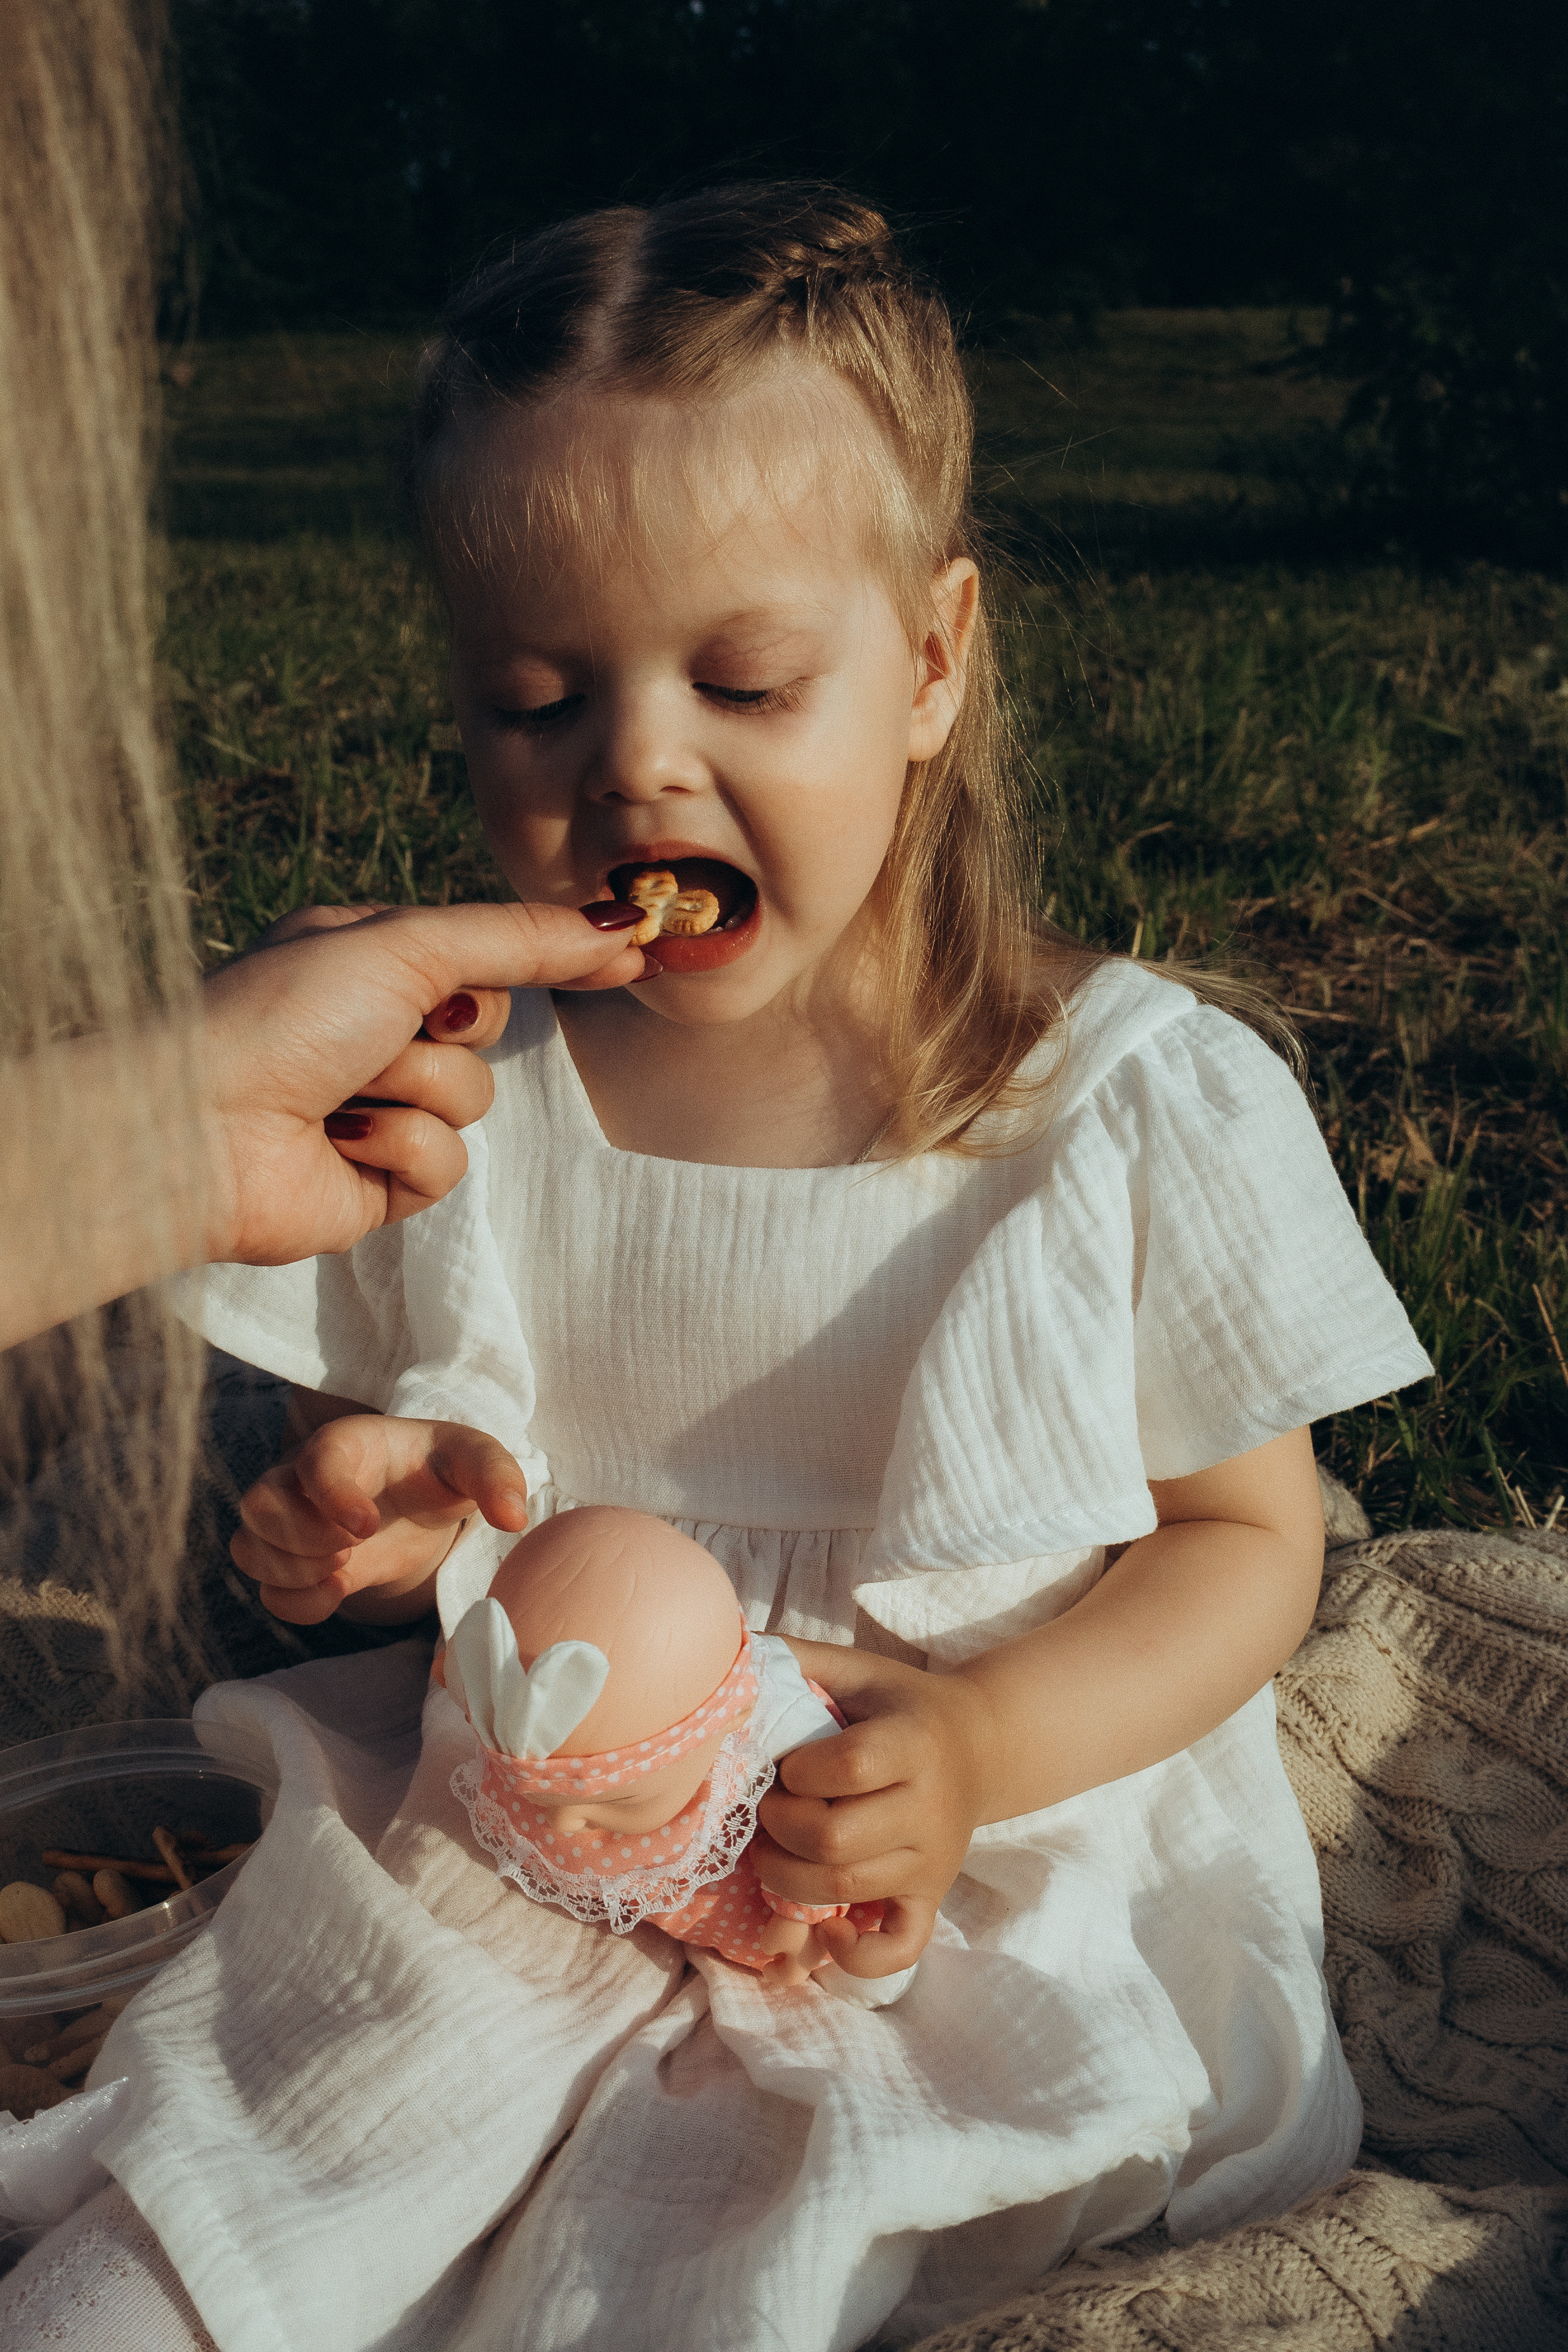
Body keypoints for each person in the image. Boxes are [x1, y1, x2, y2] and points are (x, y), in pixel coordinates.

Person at [1, 186, 1431, 2350]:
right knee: (209, 2218)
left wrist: (983, 1737)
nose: (634, 768)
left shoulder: (1118, 1100)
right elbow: (441, 1495)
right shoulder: (470, 1094)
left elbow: (1252, 1539)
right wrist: (365, 1524)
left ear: (934, 661)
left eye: (745, 680)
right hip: (527, 1835)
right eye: (534, 702)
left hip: (923, 1848)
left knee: (754, 2246)